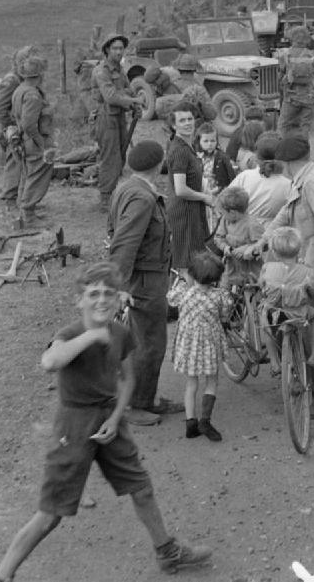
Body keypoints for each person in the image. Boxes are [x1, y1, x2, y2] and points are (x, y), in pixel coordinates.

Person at [0, 262, 213, 582]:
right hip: (74, 426)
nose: (102, 300)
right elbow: (50, 361)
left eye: (109, 293)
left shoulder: (120, 332)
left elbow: (127, 378)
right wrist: (92, 335)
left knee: (141, 486)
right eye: (93, 294)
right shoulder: (71, 333)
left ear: (119, 298)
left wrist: (118, 415)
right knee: (51, 514)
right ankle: (2, 574)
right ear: (79, 300)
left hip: (109, 420)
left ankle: (167, 552)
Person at [251, 135, 314, 418]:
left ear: (286, 162)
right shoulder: (304, 178)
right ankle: (311, 385)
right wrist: (266, 238)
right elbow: (286, 212)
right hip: (308, 263)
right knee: (307, 328)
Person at [108, 140, 180, 426]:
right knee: (149, 342)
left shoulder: (129, 187)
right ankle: (136, 405)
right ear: (158, 164)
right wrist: (119, 286)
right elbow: (125, 242)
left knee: (146, 339)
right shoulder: (142, 198)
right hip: (145, 279)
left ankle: (145, 398)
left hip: (146, 275)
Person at [167, 251, 233, 442]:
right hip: (209, 343)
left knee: (191, 383)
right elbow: (225, 314)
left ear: (192, 274)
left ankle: (190, 423)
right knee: (211, 381)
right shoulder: (220, 296)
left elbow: (170, 299)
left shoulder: (183, 292)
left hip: (188, 344)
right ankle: (205, 420)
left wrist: (180, 281)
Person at [258, 226, 314, 376]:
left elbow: (261, 286)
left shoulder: (267, 267)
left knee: (265, 322)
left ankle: (274, 362)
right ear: (299, 251)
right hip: (298, 315)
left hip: (274, 314)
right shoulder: (308, 272)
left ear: (274, 252)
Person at [91, 33, 143, 211]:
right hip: (105, 119)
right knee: (110, 158)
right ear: (107, 50)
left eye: (121, 48)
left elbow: (128, 89)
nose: (119, 52)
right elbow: (111, 97)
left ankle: (112, 193)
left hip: (119, 117)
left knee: (120, 156)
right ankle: (105, 198)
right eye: (115, 48)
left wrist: (133, 103)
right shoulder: (101, 71)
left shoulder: (120, 70)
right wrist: (133, 102)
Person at [165, 102, 216, 273]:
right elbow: (180, 189)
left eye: (190, 119)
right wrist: (205, 197)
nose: (187, 123)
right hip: (184, 211)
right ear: (174, 125)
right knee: (187, 264)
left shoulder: (186, 146)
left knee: (195, 260)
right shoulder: (180, 151)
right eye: (182, 120)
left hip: (192, 208)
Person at [10, 54, 56, 227]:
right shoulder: (32, 95)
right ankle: (28, 216)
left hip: (25, 140)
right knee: (37, 176)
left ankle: (25, 212)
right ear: (40, 74)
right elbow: (29, 124)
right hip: (34, 141)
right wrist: (41, 143)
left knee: (28, 175)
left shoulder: (20, 90)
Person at [0, 46, 33, 214]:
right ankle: (10, 201)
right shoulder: (12, 80)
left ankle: (20, 200)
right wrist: (12, 125)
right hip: (13, 130)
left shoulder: (20, 79)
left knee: (20, 163)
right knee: (14, 162)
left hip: (18, 126)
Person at [230, 131, 291, 239]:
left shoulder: (244, 176)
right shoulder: (288, 185)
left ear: (257, 156)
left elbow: (227, 199)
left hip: (244, 232)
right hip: (272, 234)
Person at [277, 26, 314, 138]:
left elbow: (280, 74)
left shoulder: (285, 54)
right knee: (305, 126)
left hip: (291, 96)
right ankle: (303, 148)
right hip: (309, 96)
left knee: (283, 124)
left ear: (291, 38)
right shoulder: (312, 54)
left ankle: (281, 146)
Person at [196, 121, 234, 231]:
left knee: (218, 219)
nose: (209, 144)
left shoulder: (222, 157)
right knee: (203, 219)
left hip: (218, 194)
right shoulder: (196, 157)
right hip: (202, 193)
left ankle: (217, 236)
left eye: (212, 140)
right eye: (206, 141)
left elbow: (231, 177)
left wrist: (225, 190)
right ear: (199, 141)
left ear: (217, 141)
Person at [214, 186, 256, 289]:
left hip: (249, 273)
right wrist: (225, 247)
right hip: (230, 270)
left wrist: (246, 248)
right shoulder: (225, 220)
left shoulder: (252, 225)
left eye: (222, 212)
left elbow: (263, 245)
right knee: (225, 294)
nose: (221, 215)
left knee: (247, 299)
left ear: (232, 213)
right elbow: (219, 237)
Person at [154, 54, 216, 122]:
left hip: (175, 124)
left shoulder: (171, 84)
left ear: (178, 69)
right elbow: (212, 114)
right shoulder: (199, 87)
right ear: (194, 69)